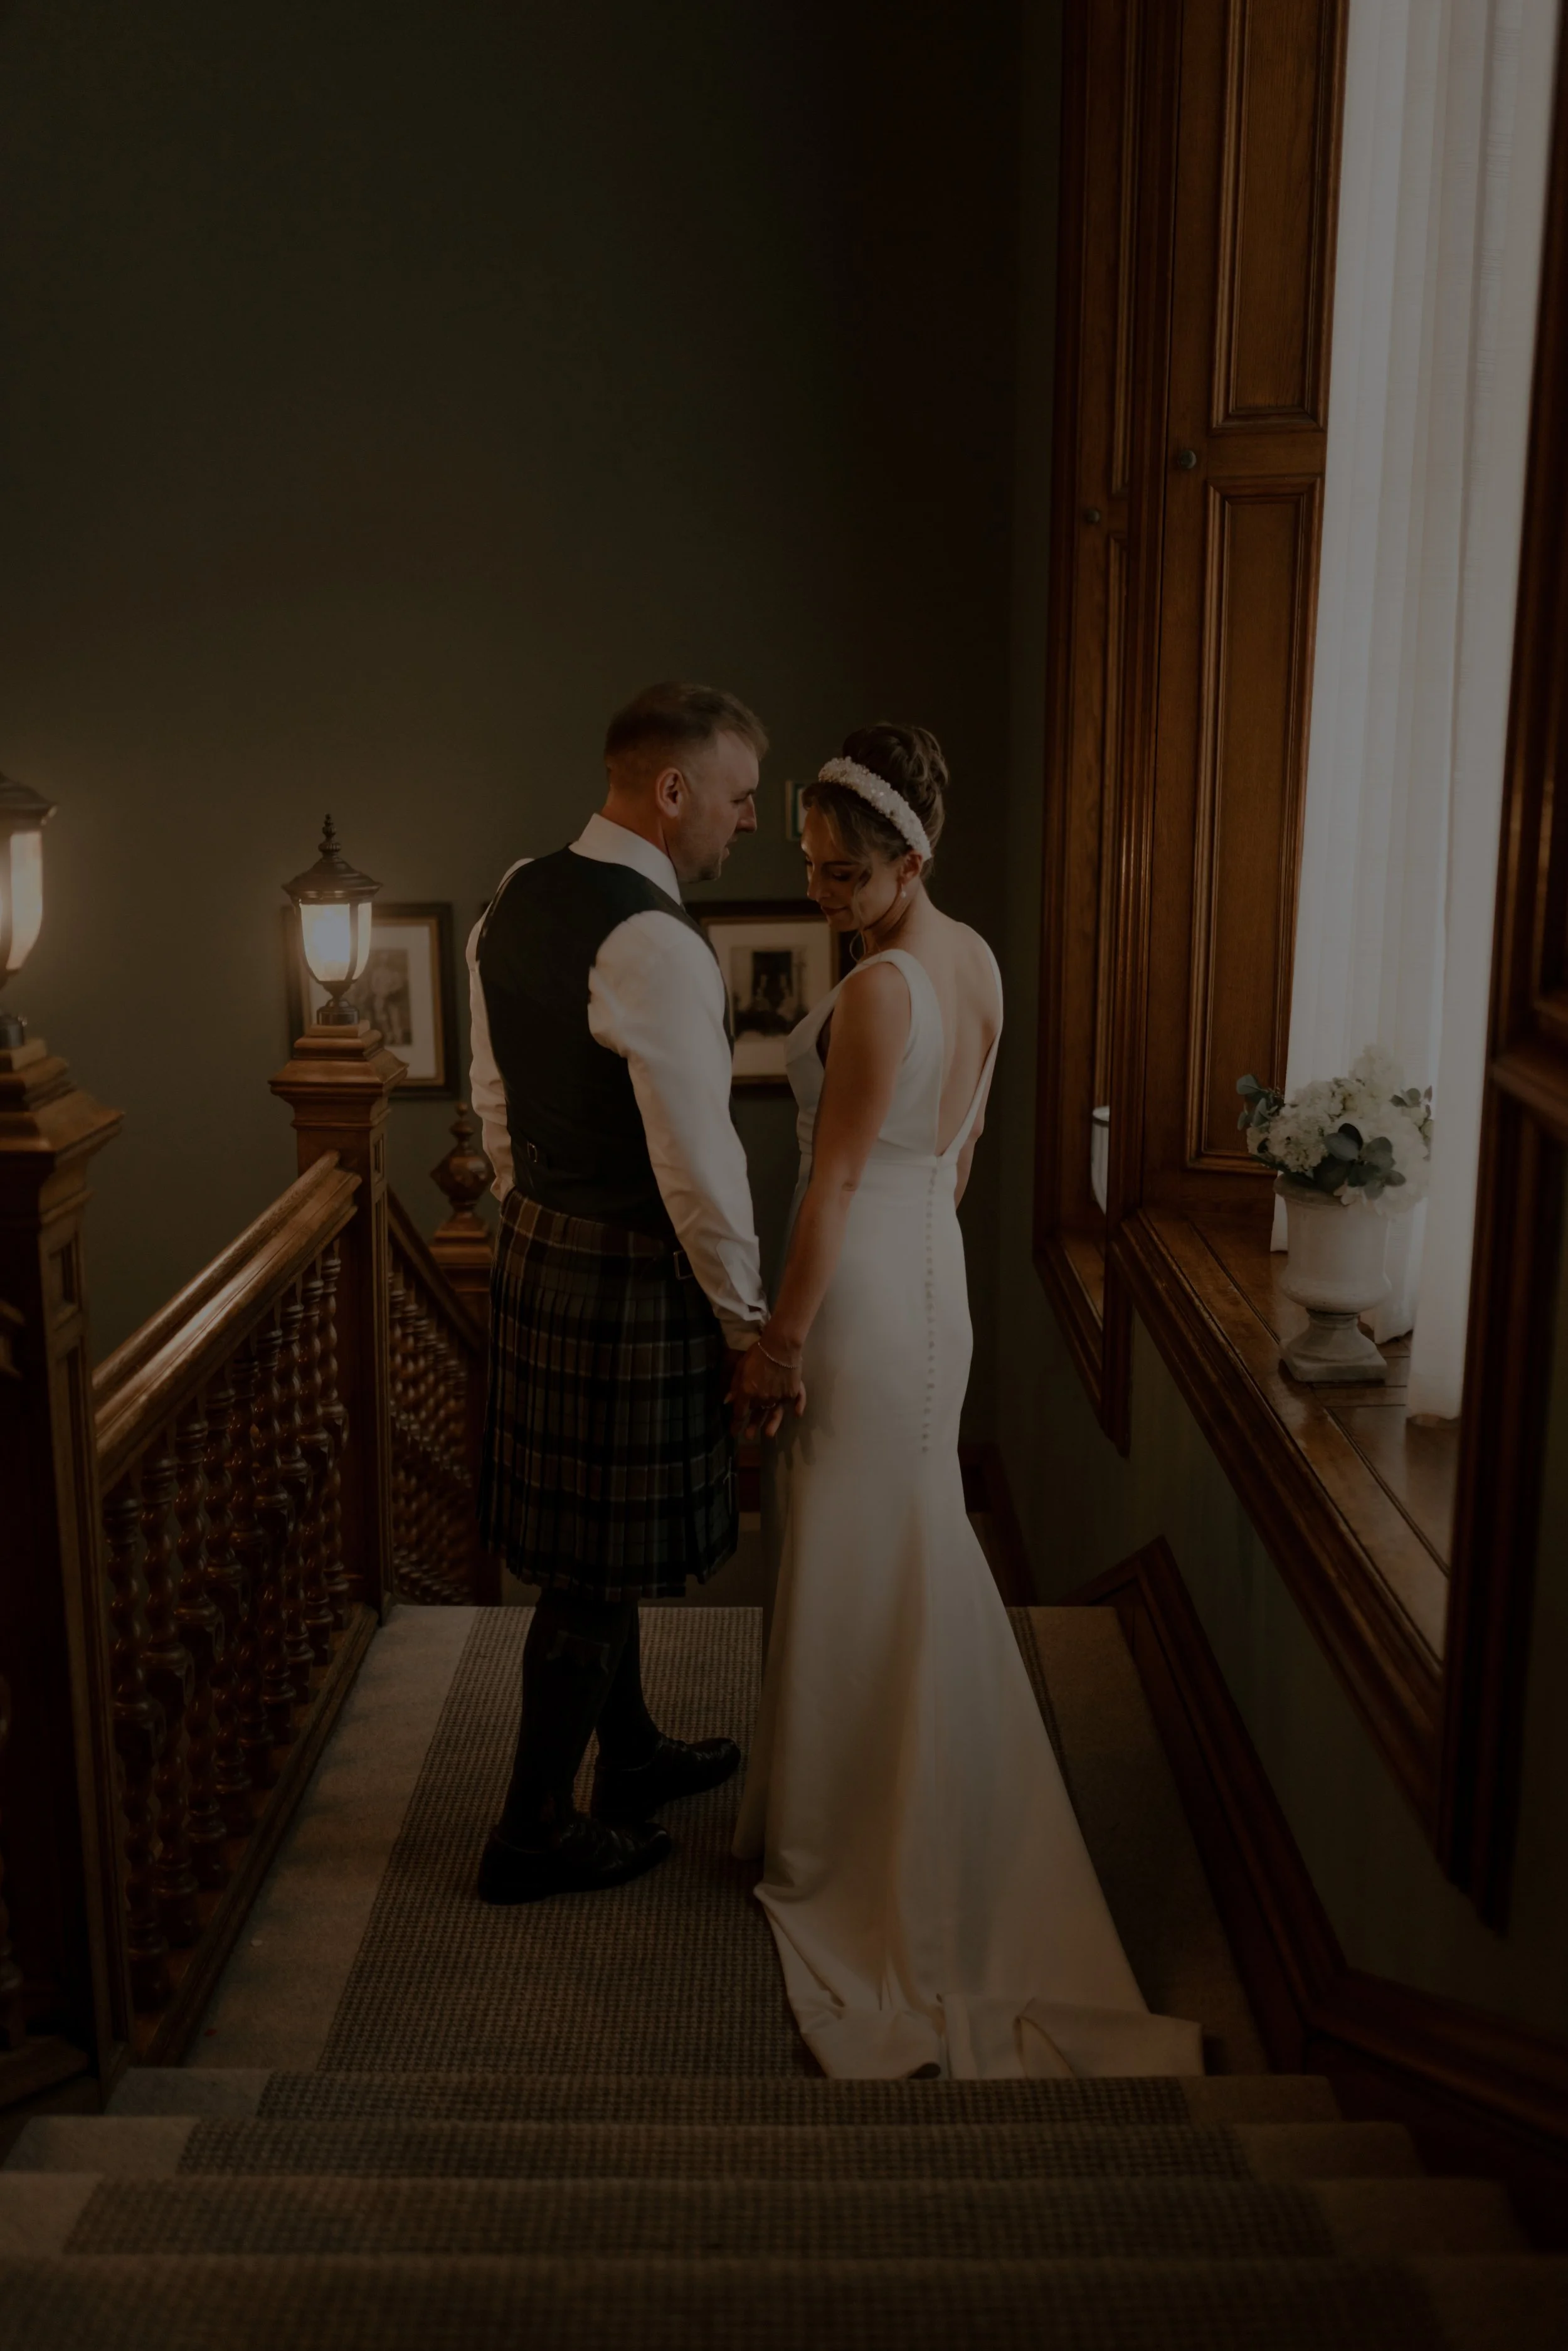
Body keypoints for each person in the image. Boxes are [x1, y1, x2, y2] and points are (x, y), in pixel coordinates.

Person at [731, 723, 1202, 2080]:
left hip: (861, 1296)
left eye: (842, 874)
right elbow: (966, 1140)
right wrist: (915, 1242)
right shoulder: (979, 960)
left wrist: (779, 1345)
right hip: (928, 1272)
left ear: (910, 863)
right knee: (903, 1539)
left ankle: (855, 1839)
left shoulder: (884, 991)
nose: (819, 890)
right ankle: (890, 1802)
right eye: (811, 863)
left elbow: (830, 1183)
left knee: (853, 1541)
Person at [469, 681, 770, 1904]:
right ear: (672, 789)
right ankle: (532, 1829)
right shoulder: (655, 942)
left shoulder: (517, 889)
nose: (749, 820)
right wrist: (748, 1325)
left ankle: (630, 1750)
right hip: (627, 1270)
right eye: (740, 796)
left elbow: (492, 1091)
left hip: (546, 1240)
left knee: (595, 1545)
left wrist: (533, 1199)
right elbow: (700, 1163)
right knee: (592, 1570)